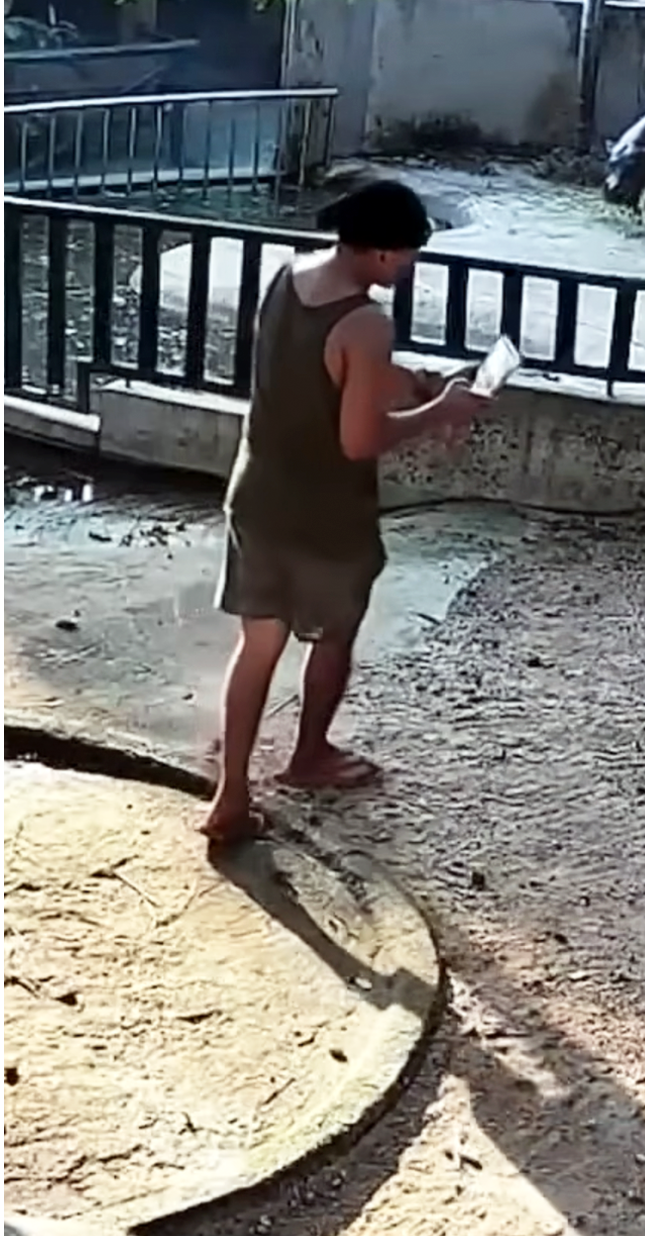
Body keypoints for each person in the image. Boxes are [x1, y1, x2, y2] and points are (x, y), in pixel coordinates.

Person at [200, 179, 484, 845]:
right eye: (409, 255)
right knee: (334, 634)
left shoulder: (289, 273)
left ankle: (231, 794)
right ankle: (310, 757)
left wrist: (408, 381)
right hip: (325, 509)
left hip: (259, 489)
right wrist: (438, 411)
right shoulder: (368, 322)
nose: (409, 267)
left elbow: (315, 367)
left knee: (258, 643)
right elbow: (360, 440)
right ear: (385, 254)